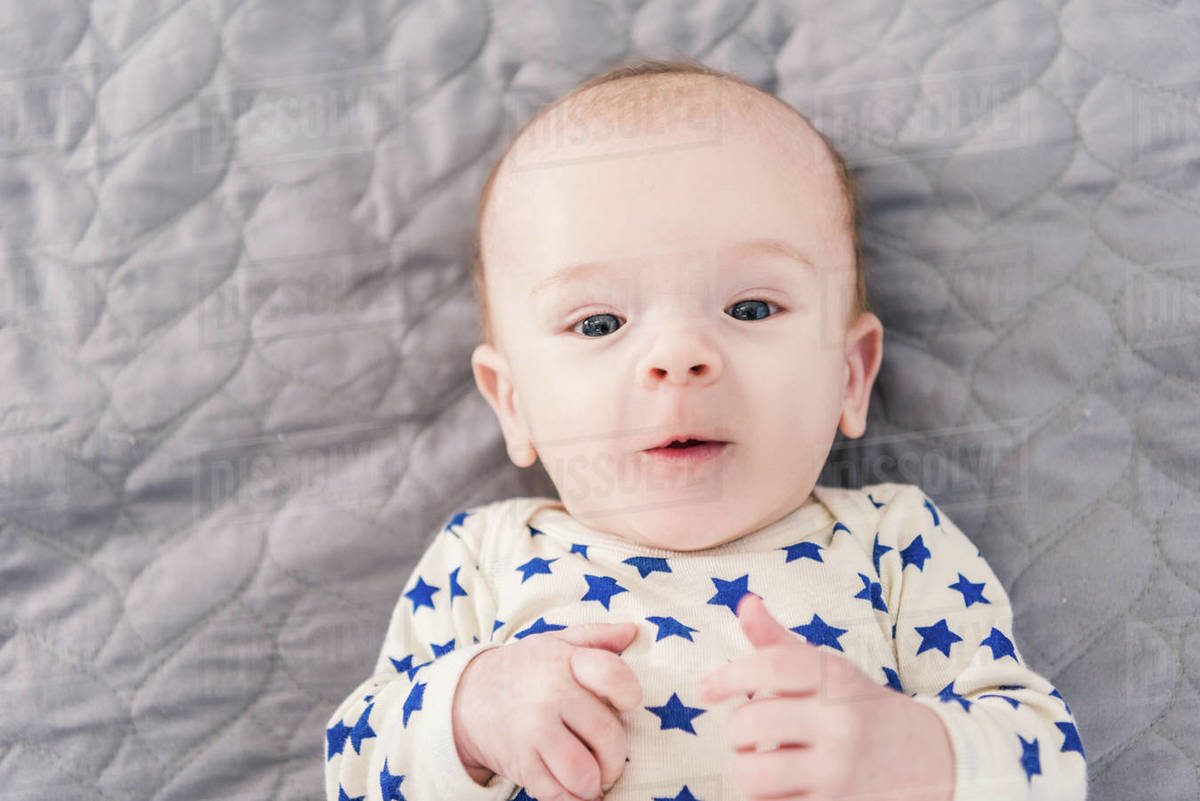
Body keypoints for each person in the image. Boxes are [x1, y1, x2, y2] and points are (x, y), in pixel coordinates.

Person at [324, 57, 1088, 801]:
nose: (679, 357)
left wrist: (910, 752)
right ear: (513, 401)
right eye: (599, 321)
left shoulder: (894, 542)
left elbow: (1047, 758)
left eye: (750, 309)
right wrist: (470, 712)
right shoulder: (483, 557)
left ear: (849, 376)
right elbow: (353, 768)